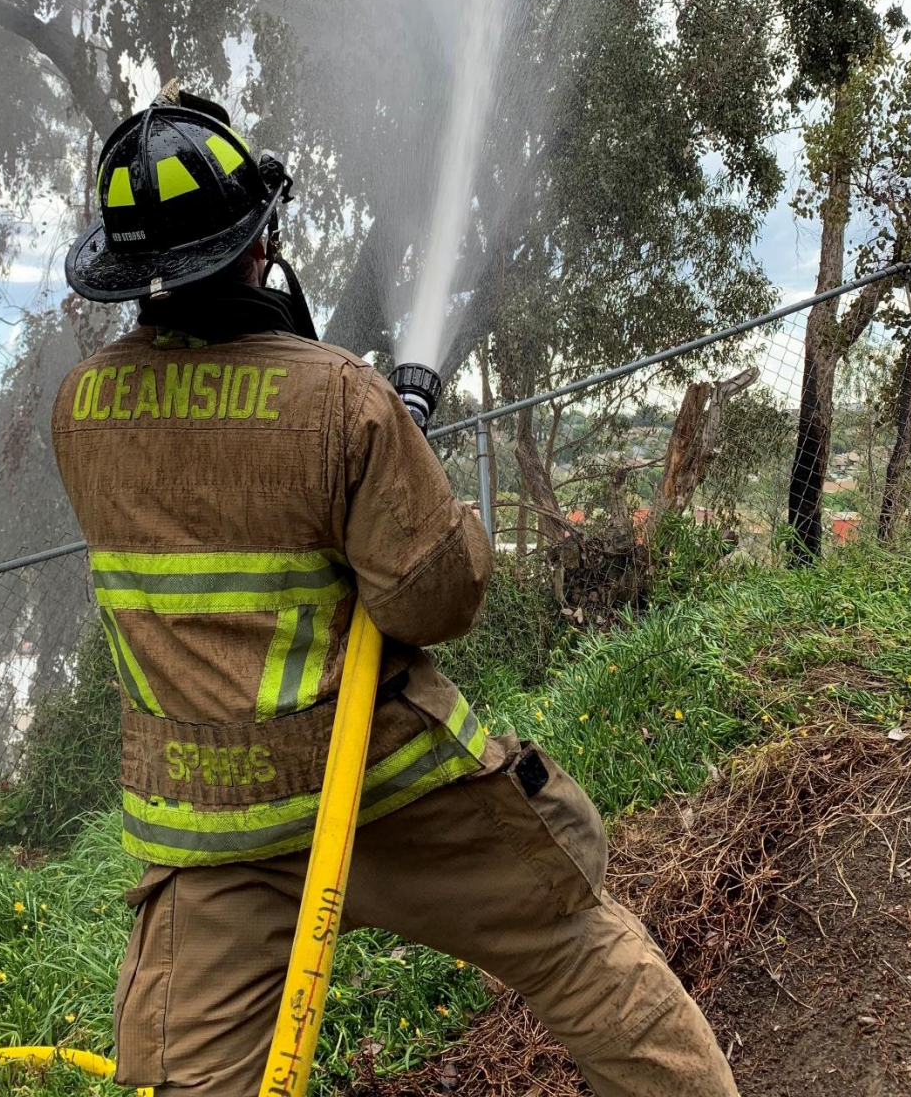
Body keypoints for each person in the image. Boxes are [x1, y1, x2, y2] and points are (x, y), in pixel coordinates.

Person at [53, 87, 739, 1097]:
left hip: (211, 831)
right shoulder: (339, 400)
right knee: (573, 940)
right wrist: (398, 460)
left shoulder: (82, 407)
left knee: (190, 1083)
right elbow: (433, 602)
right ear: (258, 243)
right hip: (389, 788)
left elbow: (218, 492)